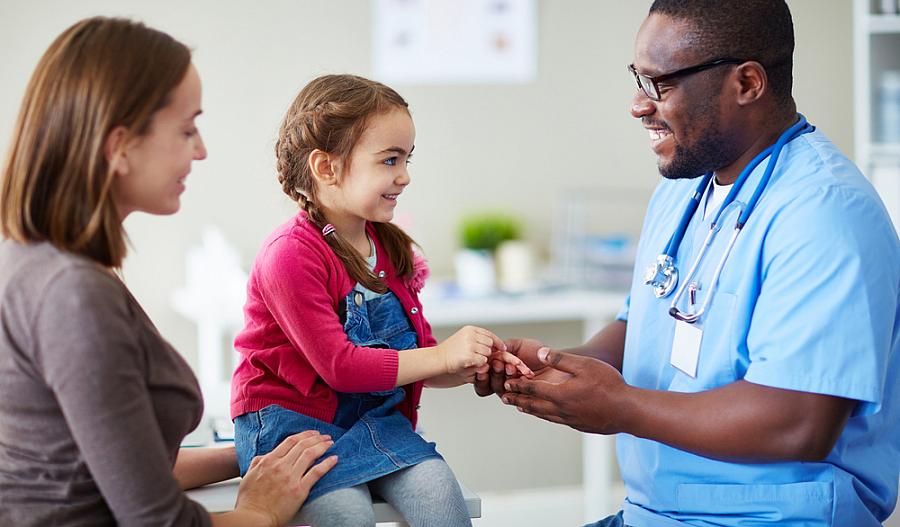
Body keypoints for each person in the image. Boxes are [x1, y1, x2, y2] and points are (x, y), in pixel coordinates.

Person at [479, 1, 900, 526]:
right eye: (638, 78)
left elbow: (797, 424)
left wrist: (620, 406)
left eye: (662, 84)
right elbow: (643, 326)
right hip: (654, 514)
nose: (638, 104)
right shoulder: (684, 190)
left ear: (747, 83)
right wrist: (551, 367)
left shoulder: (826, 213)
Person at [0, 17, 337, 527]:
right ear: (119, 146)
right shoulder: (73, 296)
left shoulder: (42, 262)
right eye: (186, 129)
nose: (200, 149)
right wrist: (260, 512)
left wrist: (249, 453)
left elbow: (108, 469)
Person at [230, 73, 531, 527]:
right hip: (294, 429)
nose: (405, 176)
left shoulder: (390, 248)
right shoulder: (290, 255)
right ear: (326, 168)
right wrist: (442, 356)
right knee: (345, 513)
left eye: (408, 159)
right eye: (390, 160)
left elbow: (419, 359)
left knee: (440, 495)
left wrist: (467, 365)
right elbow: (341, 366)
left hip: (373, 419)